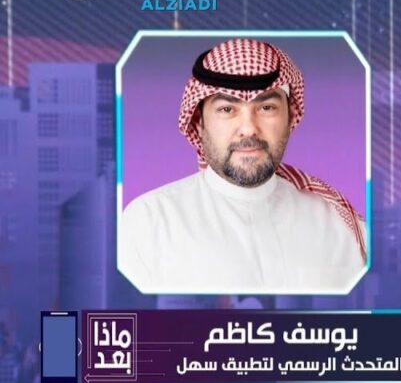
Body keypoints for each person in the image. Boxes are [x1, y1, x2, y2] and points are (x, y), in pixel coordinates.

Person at [119, 39, 367, 293]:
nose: (248, 128)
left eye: (266, 107)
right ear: (199, 122)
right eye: (227, 109)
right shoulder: (148, 223)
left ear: (290, 116)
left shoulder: (339, 226)